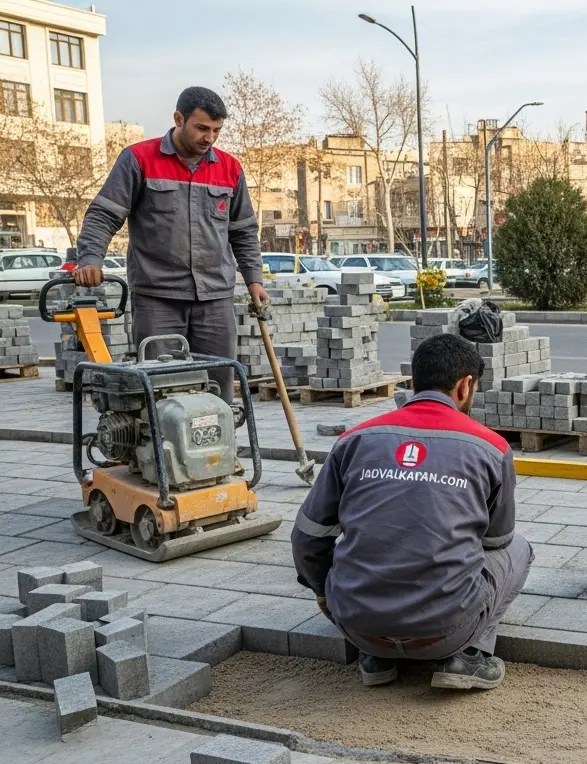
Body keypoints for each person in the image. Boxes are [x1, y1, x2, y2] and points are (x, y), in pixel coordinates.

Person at [292, 333, 533, 690]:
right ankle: (468, 655)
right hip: (445, 632)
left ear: (411, 381)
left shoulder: (354, 439)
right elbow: (496, 538)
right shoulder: (491, 447)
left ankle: (377, 657)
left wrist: (324, 592)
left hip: (357, 628)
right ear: (465, 386)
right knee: (518, 548)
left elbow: (308, 536)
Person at [74, 86, 267, 402]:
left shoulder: (230, 169)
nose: (209, 138)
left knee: (219, 391)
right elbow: (104, 214)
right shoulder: (139, 159)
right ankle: (162, 450)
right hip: (158, 299)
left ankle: (219, 451)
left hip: (214, 298)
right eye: (202, 128)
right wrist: (91, 258)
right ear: (179, 119)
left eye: (217, 131)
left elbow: (243, 231)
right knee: (163, 393)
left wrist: (254, 280)